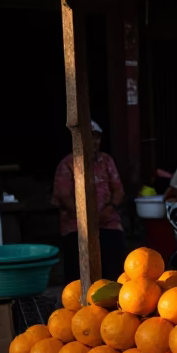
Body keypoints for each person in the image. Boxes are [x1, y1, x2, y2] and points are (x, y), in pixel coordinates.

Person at [53, 120, 125, 281]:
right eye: (89, 137)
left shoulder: (106, 160)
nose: (94, 142)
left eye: (97, 138)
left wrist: (109, 209)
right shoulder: (67, 163)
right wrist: (85, 217)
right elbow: (64, 197)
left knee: (113, 248)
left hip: (107, 220)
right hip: (77, 223)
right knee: (77, 260)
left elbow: (118, 190)